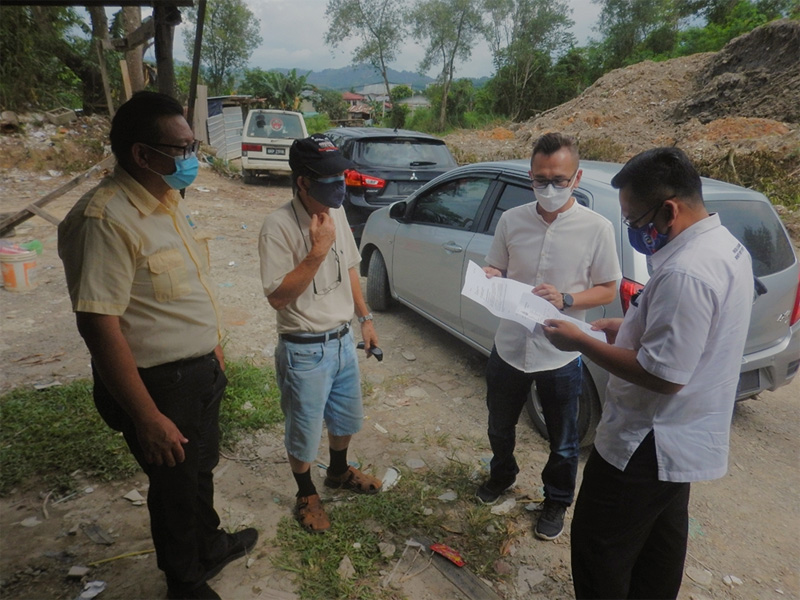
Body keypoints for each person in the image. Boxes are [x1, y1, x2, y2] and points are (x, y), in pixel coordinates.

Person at [58, 91, 257, 600]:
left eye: (193, 146)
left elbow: (180, 292)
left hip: (199, 373)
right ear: (142, 154)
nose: (192, 157)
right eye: (183, 148)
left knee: (200, 470)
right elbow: (99, 326)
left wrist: (211, 348)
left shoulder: (165, 200)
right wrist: (147, 417)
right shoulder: (104, 219)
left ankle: (210, 545)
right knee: (174, 489)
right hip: (159, 386)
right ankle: (184, 583)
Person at [543, 147, 754, 599]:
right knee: (659, 550)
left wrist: (581, 341)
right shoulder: (726, 246)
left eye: (635, 221)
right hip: (681, 437)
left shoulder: (687, 271)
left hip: (645, 444)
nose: (634, 231)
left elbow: (664, 375)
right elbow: (690, 336)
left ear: (669, 210)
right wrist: (629, 327)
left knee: (601, 549)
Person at [477, 132, 621, 541]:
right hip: (509, 345)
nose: (550, 188)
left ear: (577, 178)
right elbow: (497, 267)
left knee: (564, 440)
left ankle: (556, 500)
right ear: (530, 176)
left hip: (560, 354)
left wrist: (568, 298)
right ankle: (502, 474)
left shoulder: (597, 228)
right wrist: (492, 275)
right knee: (499, 425)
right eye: (541, 180)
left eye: (559, 180)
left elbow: (607, 289)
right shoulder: (512, 220)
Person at [258, 133, 382, 534]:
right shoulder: (277, 226)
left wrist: (365, 318)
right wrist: (316, 252)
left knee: (346, 418)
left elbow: (350, 267)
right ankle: (306, 493)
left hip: (342, 340)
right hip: (304, 350)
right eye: (330, 180)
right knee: (304, 430)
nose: (340, 187)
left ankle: (339, 472)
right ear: (303, 182)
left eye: (342, 176)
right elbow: (278, 297)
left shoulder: (336, 211)